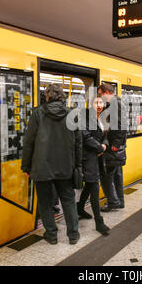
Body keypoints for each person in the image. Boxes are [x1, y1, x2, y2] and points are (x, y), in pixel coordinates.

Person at [21, 84, 82, 245]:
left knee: (44, 201)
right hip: (65, 166)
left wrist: (26, 166)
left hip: (41, 167)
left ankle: (52, 235)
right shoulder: (71, 114)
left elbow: (29, 142)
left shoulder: (37, 114)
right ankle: (73, 234)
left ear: (47, 97)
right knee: (68, 200)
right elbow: (78, 144)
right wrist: (77, 165)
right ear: (62, 97)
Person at [77, 97, 110, 235]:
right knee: (94, 186)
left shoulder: (102, 118)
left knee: (90, 185)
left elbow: (106, 135)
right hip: (88, 158)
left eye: (101, 102)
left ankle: (79, 208)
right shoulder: (84, 117)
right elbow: (86, 137)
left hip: (97, 157)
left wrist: (105, 145)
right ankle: (99, 222)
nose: (99, 105)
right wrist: (100, 148)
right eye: (96, 102)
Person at [97, 84, 128, 212]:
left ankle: (113, 202)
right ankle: (119, 201)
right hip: (116, 146)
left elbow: (121, 125)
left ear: (107, 92)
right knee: (117, 176)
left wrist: (115, 145)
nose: (100, 97)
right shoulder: (115, 103)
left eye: (101, 94)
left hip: (114, 147)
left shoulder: (116, 104)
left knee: (106, 176)